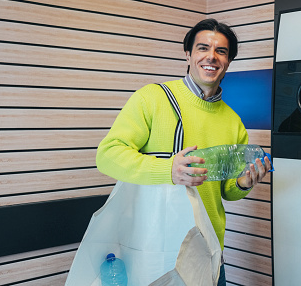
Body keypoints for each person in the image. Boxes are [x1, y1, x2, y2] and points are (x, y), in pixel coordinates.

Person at [96, 18, 272, 285]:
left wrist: (243, 182)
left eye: (221, 51)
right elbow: (107, 156)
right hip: (154, 253)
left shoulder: (233, 121)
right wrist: (169, 170)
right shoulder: (152, 98)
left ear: (228, 61)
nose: (211, 57)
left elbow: (227, 191)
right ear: (188, 54)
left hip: (208, 253)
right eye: (202, 48)